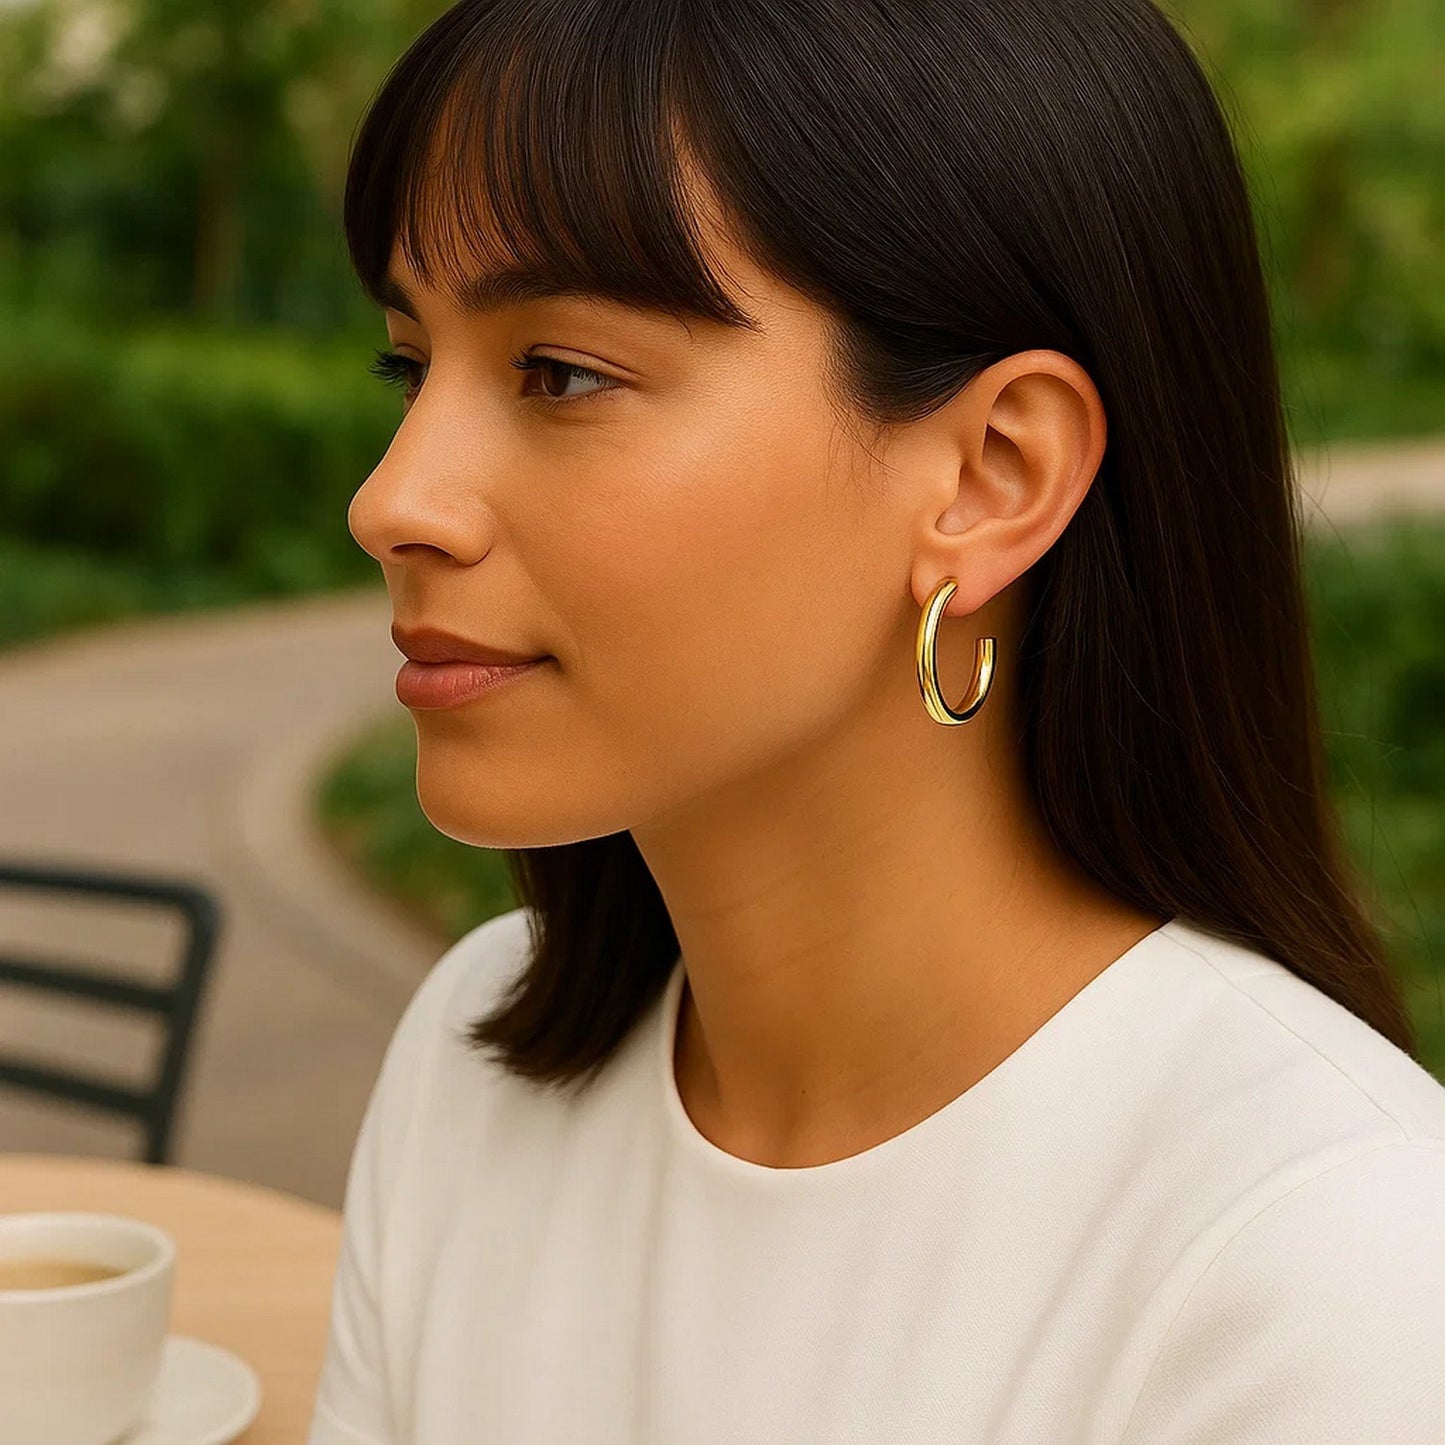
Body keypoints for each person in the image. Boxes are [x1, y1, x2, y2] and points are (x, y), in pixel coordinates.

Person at [310, 0, 1445, 1440]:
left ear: (989, 475)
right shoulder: (468, 1061)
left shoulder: (1332, 1268)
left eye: (563, 374)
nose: (393, 499)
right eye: (410, 366)